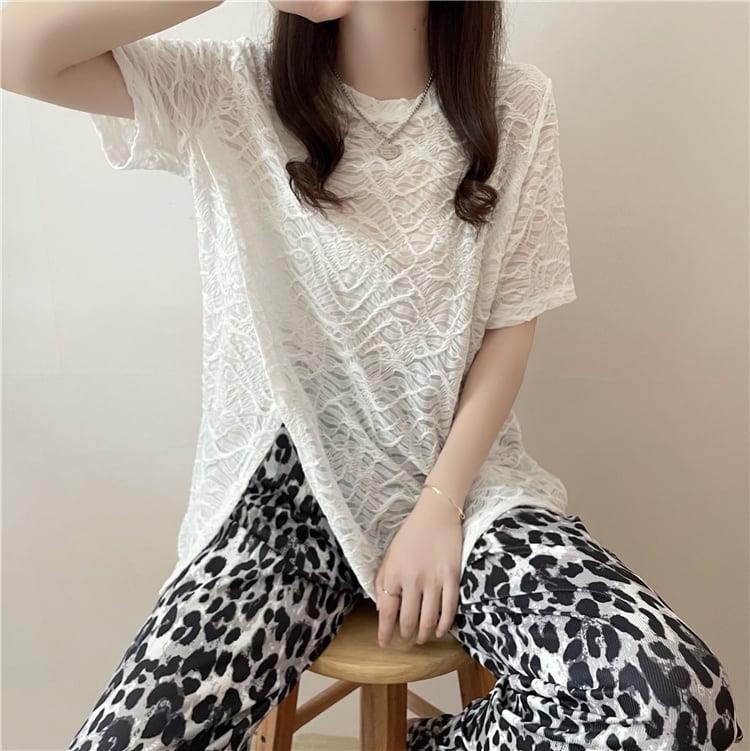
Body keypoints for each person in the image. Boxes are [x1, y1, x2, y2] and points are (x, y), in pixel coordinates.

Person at [2, 1, 744, 748]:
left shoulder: (515, 105)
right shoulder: (230, 89)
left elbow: (510, 326)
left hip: (458, 482)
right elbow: (16, 51)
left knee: (674, 705)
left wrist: (440, 505)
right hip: (283, 498)